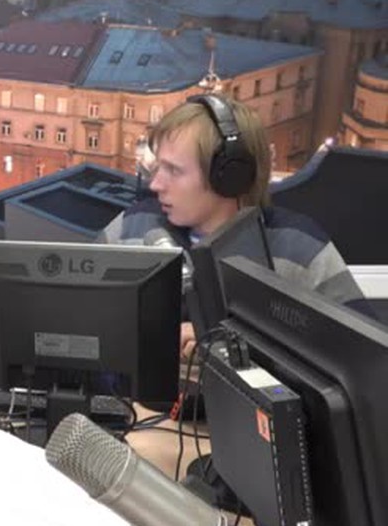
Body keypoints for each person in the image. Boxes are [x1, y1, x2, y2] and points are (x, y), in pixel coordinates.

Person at [98, 94, 369, 360]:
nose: (156, 184)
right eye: (158, 168)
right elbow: (84, 318)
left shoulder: (300, 248)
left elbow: (362, 358)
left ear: (229, 176)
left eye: (174, 171)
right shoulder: (132, 226)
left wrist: (236, 342)